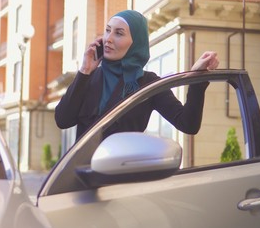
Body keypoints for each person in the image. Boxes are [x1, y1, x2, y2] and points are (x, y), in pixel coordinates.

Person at [55, 10, 219, 140]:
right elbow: (62, 120)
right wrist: (84, 71)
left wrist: (197, 79)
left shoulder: (147, 82)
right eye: (107, 31)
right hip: (83, 177)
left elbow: (188, 124)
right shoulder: (89, 78)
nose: (108, 39)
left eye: (119, 33)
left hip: (125, 177)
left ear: (136, 42)